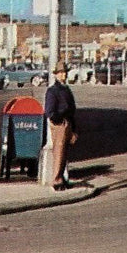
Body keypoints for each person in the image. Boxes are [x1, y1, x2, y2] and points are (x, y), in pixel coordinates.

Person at [44, 63, 78, 191]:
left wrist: (73, 129)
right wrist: (59, 119)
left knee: (64, 153)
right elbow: (50, 111)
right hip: (59, 124)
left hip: (67, 122)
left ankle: (61, 177)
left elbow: (72, 109)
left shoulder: (66, 89)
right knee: (59, 152)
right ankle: (56, 179)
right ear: (56, 74)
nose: (63, 75)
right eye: (61, 72)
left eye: (64, 72)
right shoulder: (53, 91)